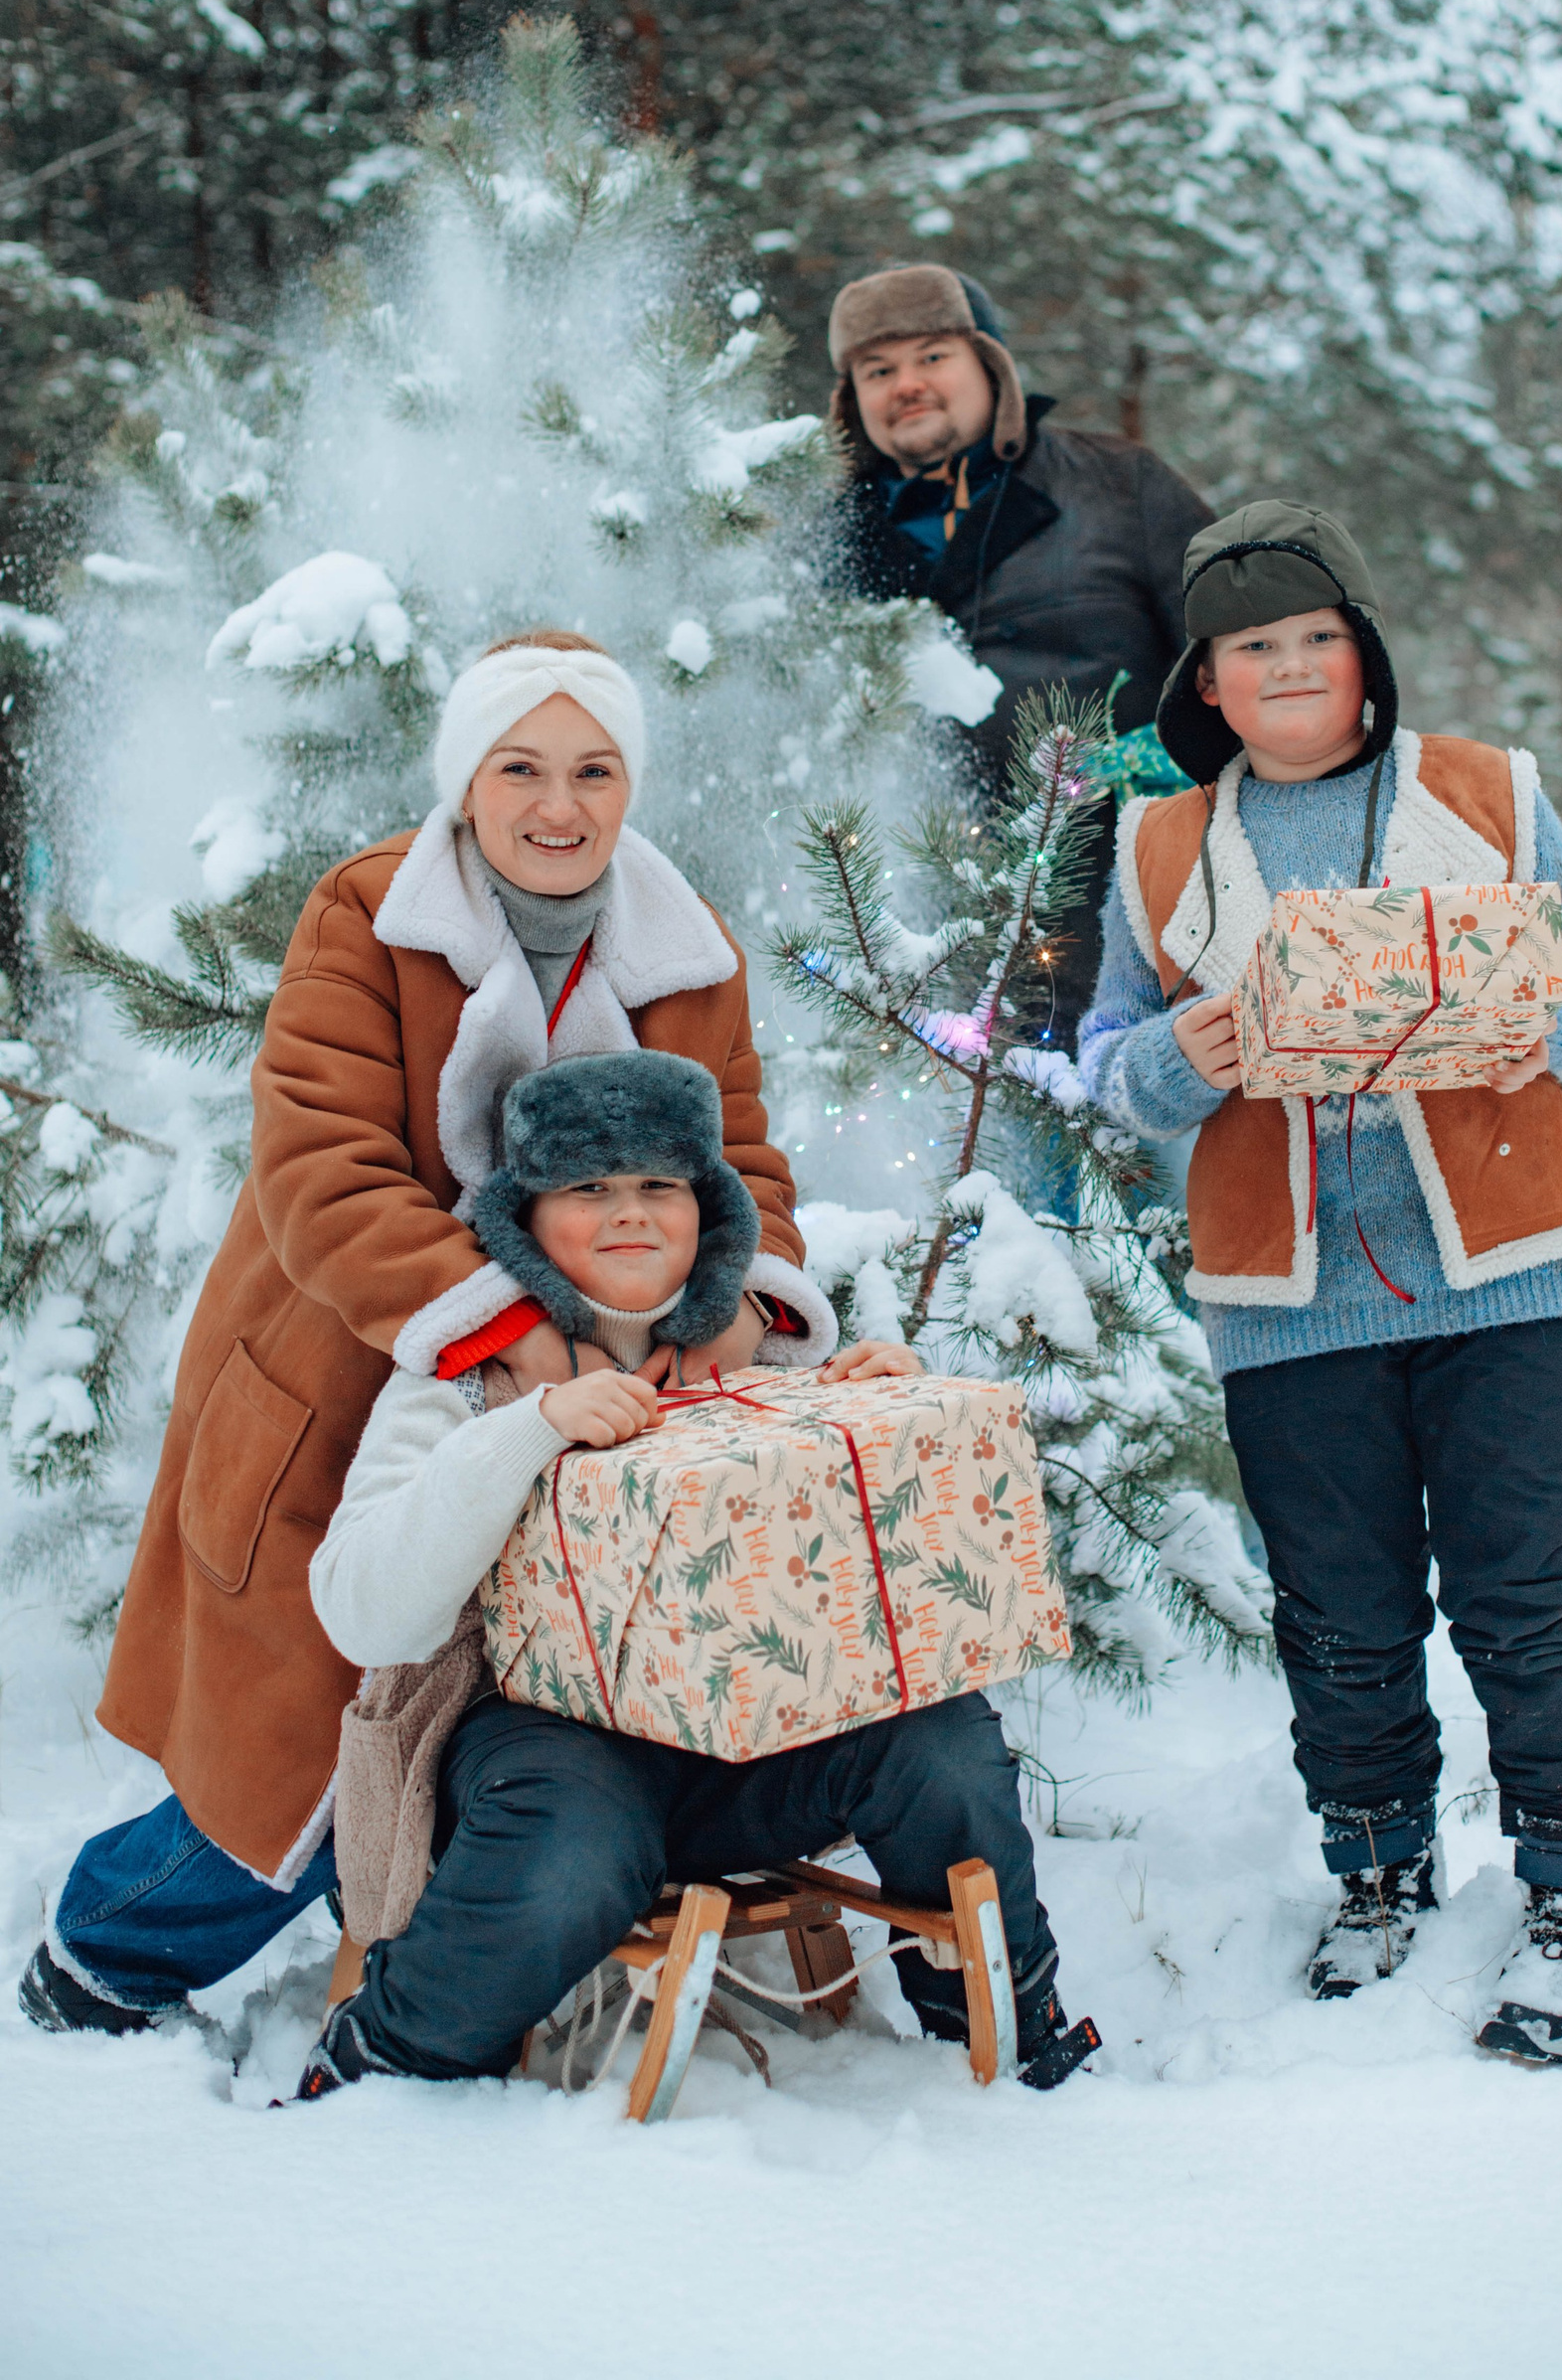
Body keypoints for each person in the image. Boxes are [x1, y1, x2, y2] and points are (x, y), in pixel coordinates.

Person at [20, 630, 836, 2040]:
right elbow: (323, 1163)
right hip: (353, 1357)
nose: (559, 806)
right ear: (467, 781)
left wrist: (736, 1306)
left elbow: (740, 1166)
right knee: (310, 1738)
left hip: (602, 1394)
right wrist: (510, 1328)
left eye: (594, 772)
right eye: (521, 769)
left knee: (512, 1700)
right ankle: (102, 1954)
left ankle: (446, 1940)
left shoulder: (687, 945)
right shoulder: (369, 912)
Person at [1079, 503, 1562, 2066]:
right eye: (1252, 646)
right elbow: (1106, 1055)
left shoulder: (1486, 793)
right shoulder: (1160, 846)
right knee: (1338, 1608)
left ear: (1364, 656)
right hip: (1285, 1301)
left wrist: (1547, 1010)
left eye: (1316, 638)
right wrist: (1174, 1060)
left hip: (1505, 1278)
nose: (1288, 668)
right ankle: (1380, 1871)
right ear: (1206, 681)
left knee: (1525, 1591)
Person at [291, 1047, 1097, 2097]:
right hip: (541, 1744)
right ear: (525, 1218)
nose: (629, 1212)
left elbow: (860, 1582)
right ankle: (390, 2054)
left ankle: (1002, 2023)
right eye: (589, 1188)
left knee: (940, 1744)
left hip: (754, 1743)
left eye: (657, 1185)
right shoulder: (464, 1377)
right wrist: (528, 1431)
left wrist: (885, 1412)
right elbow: (363, 1612)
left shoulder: (768, 1353)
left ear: (703, 1207)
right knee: (572, 1847)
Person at [824, 261, 1211, 1047]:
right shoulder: (825, 545)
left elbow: (1239, 653)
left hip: (1139, 916)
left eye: (934, 356)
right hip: (922, 948)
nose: (907, 384)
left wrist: (1182, 772)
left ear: (991, 367)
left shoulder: (1118, 486)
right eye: (878, 370)